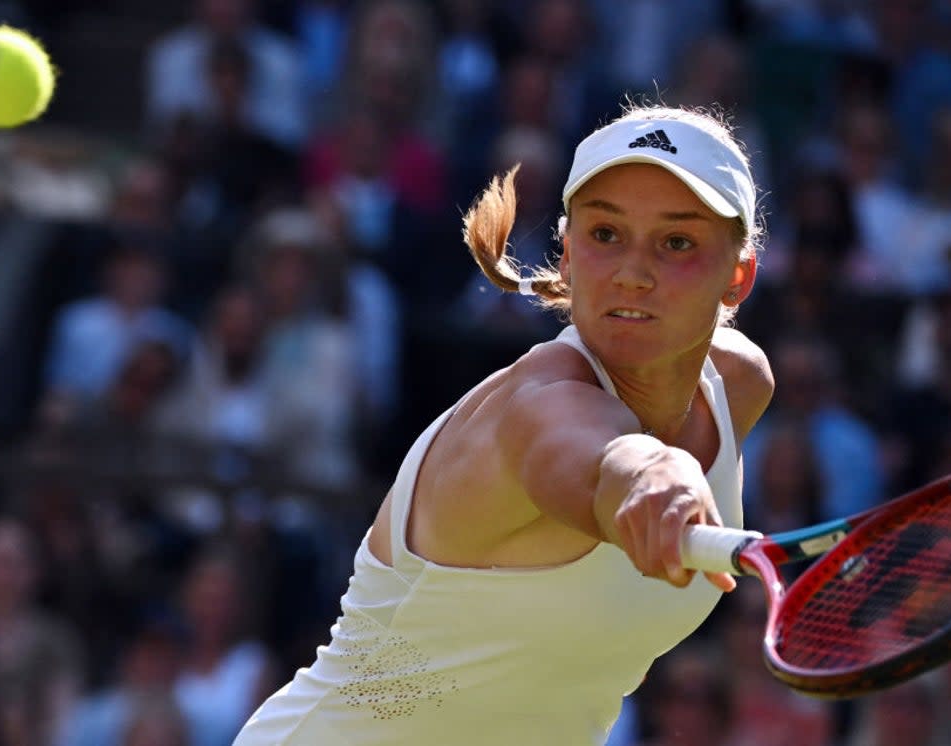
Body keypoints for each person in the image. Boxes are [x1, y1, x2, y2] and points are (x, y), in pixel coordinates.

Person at [233, 103, 772, 745]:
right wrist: (659, 472)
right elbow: (598, 459)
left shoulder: (737, 385)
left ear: (737, 276)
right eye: (604, 235)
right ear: (567, 255)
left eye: (677, 242)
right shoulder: (536, 406)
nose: (632, 272)